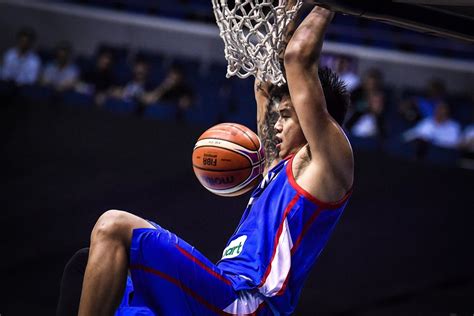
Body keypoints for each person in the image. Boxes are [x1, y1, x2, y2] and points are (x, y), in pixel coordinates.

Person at [76, 6, 353, 315]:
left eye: (287, 116)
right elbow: (265, 85)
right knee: (115, 285)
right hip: (223, 292)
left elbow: (298, 58)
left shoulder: (324, 164)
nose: (275, 123)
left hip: (250, 303)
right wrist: (289, 10)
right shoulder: (277, 164)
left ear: (313, 117)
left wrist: (324, 7)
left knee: (113, 226)